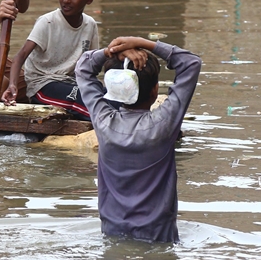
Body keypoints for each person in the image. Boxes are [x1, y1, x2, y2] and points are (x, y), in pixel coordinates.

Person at [76, 37, 202, 243]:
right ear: (155, 91)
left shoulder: (104, 122)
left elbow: (83, 67)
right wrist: (145, 43)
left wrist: (110, 52)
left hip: (112, 235)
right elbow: (191, 63)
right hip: (159, 238)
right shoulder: (163, 124)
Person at [1, 0, 100, 120]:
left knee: (103, 94)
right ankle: (115, 127)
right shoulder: (47, 22)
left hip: (71, 84)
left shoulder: (90, 25)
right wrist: (12, 85)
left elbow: (91, 64)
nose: (66, 0)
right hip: (42, 85)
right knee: (82, 100)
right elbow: (20, 56)